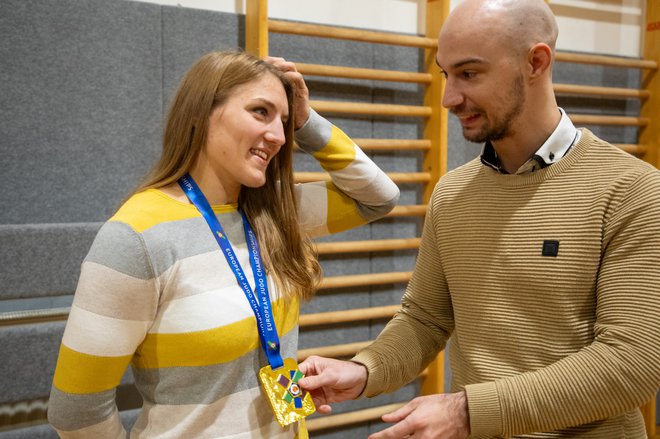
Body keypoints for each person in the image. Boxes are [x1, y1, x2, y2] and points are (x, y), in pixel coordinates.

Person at [297, 0, 660, 438]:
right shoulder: (452, 193)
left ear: (536, 62)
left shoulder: (633, 190)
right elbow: (425, 318)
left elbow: (632, 361)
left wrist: (467, 411)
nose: (450, 97)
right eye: (445, 74)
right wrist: (365, 370)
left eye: (469, 73)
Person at [47, 50, 399, 438]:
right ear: (200, 113)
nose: (280, 137)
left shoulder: (274, 212)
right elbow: (76, 411)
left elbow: (379, 196)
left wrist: (307, 121)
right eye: (260, 112)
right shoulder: (136, 236)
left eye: (284, 122)